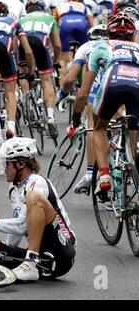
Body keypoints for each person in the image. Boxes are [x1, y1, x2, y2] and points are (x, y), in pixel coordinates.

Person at [0, 137, 76, 282]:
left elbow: (22, 226)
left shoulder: (37, 183)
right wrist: (6, 252)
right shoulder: (14, 188)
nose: (3, 168)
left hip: (60, 254)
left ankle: (30, 266)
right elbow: (17, 224)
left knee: (33, 197)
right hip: (39, 257)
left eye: (6, 163)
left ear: (21, 164)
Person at [70, 12, 139, 194]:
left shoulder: (101, 46)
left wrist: (76, 118)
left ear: (109, 34)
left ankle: (104, 176)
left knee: (98, 128)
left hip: (112, 85)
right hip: (137, 87)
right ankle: (134, 165)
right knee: (134, 130)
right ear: (132, 35)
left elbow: (83, 92)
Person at [59, 24, 108, 194]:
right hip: (123, 87)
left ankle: (89, 174)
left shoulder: (85, 47)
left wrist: (62, 92)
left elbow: (70, 78)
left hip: (97, 92)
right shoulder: (114, 45)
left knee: (92, 127)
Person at [0, 1, 34, 137]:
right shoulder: (14, 22)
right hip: (5, 48)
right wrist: (30, 71)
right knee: (10, 91)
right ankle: (11, 126)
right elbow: (27, 51)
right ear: (6, 13)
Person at [19, 0, 61, 136]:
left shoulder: (22, 18)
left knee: (24, 73)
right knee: (46, 81)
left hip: (23, 45)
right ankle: (49, 116)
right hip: (39, 43)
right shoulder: (49, 17)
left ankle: (27, 101)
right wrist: (55, 62)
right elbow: (58, 45)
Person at [54, 0, 94, 87]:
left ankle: (62, 87)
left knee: (63, 59)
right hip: (81, 24)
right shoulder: (83, 5)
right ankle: (83, 87)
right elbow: (91, 22)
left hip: (65, 25)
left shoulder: (60, 5)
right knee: (85, 56)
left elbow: (55, 25)